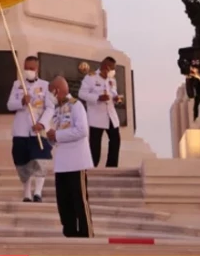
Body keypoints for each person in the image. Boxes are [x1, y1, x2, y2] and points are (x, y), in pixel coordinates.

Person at [40, 75, 94, 239]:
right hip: (61, 163)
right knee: (64, 203)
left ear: (57, 91)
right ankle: (70, 235)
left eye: (50, 93)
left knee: (79, 201)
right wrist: (50, 137)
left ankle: (86, 235)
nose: (49, 96)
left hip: (76, 162)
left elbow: (82, 130)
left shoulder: (76, 105)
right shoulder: (56, 111)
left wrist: (57, 135)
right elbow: (55, 136)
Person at [7, 56, 53, 203]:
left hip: (38, 130)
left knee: (41, 160)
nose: (28, 71)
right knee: (22, 161)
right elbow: (9, 105)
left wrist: (42, 124)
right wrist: (21, 102)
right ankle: (27, 193)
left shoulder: (46, 85)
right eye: (26, 68)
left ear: (37, 68)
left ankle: (38, 192)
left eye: (31, 68)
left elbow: (50, 108)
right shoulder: (17, 84)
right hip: (21, 130)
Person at [78, 56, 122, 168]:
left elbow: (113, 93)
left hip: (110, 115)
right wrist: (97, 97)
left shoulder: (112, 80)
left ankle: (112, 165)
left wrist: (116, 98)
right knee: (95, 144)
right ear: (105, 67)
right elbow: (81, 94)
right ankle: (92, 166)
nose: (113, 71)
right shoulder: (90, 77)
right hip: (96, 116)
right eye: (112, 68)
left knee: (115, 139)